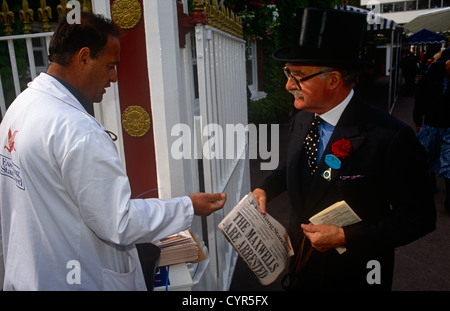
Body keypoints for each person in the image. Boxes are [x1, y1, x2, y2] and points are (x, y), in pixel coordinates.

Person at [0, 12, 226, 291]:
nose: (114, 77)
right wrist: (188, 206)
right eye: (110, 66)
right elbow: (119, 223)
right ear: (83, 58)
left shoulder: (21, 106)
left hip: (32, 275)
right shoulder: (77, 130)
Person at [252, 7, 436, 291]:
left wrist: (346, 236)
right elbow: (294, 163)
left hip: (355, 274)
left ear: (333, 80)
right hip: (302, 266)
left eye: (298, 75)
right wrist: (266, 187)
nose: (289, 85)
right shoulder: (302, 118)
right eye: (288, 72)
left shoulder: (390, 137)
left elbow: (419, 218)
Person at [414, 47, 450, 214]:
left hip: (448, 126)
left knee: (448, 162)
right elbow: (420, 98)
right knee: (426, 157)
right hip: (431, 124)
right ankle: (429, 186)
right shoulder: (432, 75)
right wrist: (418, 120)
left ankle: (449, 201)